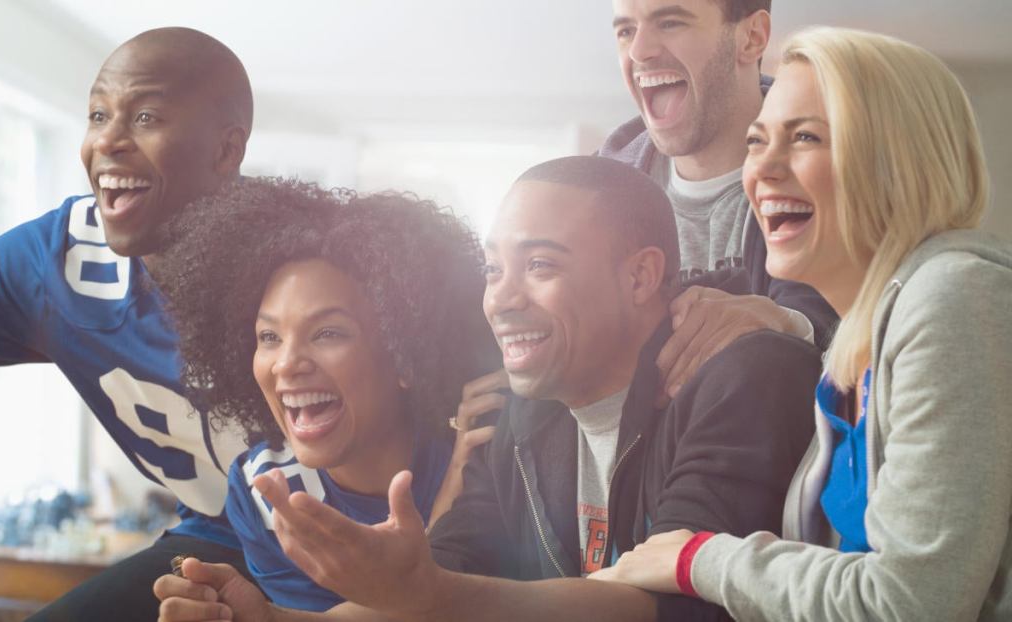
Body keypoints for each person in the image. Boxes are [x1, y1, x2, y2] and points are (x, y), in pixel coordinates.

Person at [155, 156, 822, 622]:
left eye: (538, 266)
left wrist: (427, 595)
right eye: (495, 268)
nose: (501, 298)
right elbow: (448, 573)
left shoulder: (739, 374)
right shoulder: (523, 408)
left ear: (642, 277)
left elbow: (676, 606)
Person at [590, 27, 1012, 621]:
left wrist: (697, 560)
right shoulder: (852, 345)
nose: (764, 170)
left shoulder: (953, 296)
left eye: (806, 137)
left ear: (899, 158)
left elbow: (912, 603)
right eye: (756, 142)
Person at [0, 27, 254, 620]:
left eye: (146, 116)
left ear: (226, 151)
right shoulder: (53, 260)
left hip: (355, 546)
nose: (107, 140)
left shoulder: (304, 268)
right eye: (98, 114)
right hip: (219, 539)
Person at [147, 178, 496, 615]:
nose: (287, 363)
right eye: (269, 336)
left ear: (405, 356)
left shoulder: (478, 455)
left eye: (327, 333)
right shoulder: (263, 490)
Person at [601, 0, 836, 399]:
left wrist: (790, 326)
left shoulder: (832, 169)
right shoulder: (594, 199)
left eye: (670, 22)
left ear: (752, 37)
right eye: (625, 31)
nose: (639, 51)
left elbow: (871, 318)